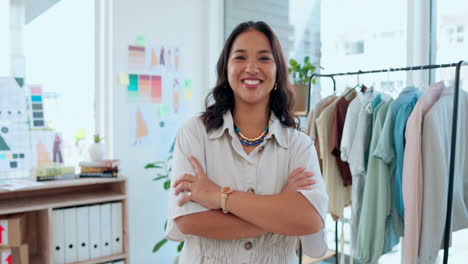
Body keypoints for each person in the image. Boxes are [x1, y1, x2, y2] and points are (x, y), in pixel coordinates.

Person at [165, 21, 328, 264]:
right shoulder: (194, 133)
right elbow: (188, 220)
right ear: (226, 69)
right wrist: (278, 211)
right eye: (240, 58)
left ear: (277, 72)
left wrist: (219, 197)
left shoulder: (299, 144)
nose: (251, 68)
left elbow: (309, 219)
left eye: (264, 58)